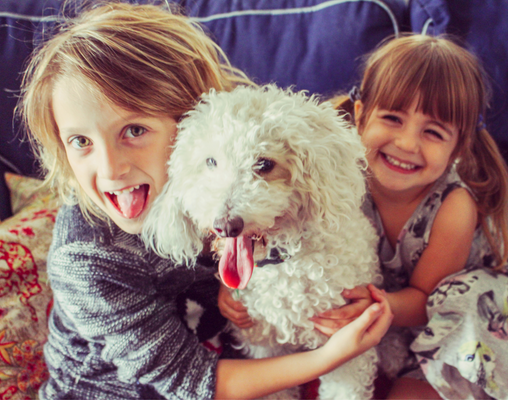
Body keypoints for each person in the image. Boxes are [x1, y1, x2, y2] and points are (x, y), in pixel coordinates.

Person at [18, 3, 392, 399]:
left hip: (227, 351)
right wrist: (332, 356)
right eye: (81, 141)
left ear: (189, 121)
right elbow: (191, 382)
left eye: (134, 130)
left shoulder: (226, 154)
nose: (111, 168)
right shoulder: (88, 260)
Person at [219, 34, 508, 399]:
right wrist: (236, 283)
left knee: (462, 314)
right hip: (389, 303)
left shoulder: (453, 208)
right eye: (393, 119)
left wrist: (373, 307)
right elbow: (272, 232)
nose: (406, 144)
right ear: (361, 113)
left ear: (457, 149)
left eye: (433, 132)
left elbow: (426, 300)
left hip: (459, 301)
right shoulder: (334, 174)